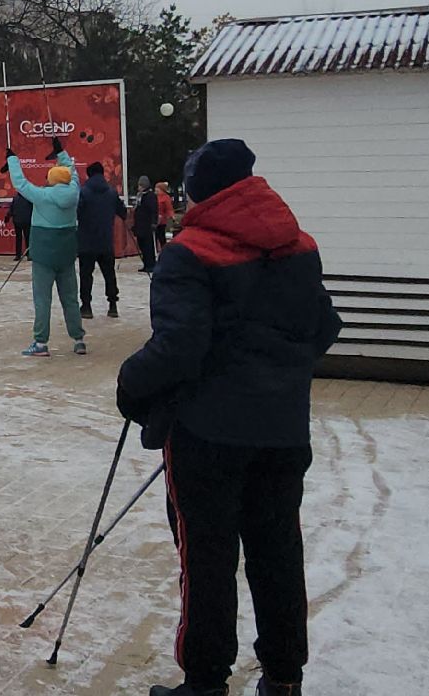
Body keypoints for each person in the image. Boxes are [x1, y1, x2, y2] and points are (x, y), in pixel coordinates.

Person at [116, 139, 342, 696]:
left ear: (201, 190)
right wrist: (277, 374)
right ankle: (284, 678)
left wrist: (130, 383)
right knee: (277, 551)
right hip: (281, 430)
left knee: (208, 558)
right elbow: (324, 326)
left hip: (208, 435)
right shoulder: (298, 244)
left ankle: (205, 681)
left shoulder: (190, 251)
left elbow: (179, 346)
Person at [7, 142, 86, 356]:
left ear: (52, 179)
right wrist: (62, 153)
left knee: (43, 299)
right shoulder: (74, 192)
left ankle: (41, 343)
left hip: (43, 256)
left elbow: (20, 183)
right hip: (66, 255)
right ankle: (78, 339)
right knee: (70, 298)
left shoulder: (42, 196)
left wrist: (12, 159)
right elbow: (73, 172)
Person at [77, 161, 128, 319]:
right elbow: (123, 213)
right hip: (106, 240)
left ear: (89, 175)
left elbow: (77, 212)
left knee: (86, 275)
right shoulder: (111, 192)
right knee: (109, 274)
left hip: (86, 241)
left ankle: (86, 307)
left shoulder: (83, 192)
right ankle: (112, 305)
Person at [133, 176, 160, 274]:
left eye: (140, 185)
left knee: (148, 245)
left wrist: (154, 222)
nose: (139, 187)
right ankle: (146, 263)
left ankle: (151, 264)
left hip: (147, 225)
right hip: (140, 224)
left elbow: (153, 210)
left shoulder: (150, 196)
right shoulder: (140, 196)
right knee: (142, 245)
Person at [9, 189, 33, 261]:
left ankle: (18, 255)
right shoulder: (29, 199)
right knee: (27, 238)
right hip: (26, 221)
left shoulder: (15, 199)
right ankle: (28, 255)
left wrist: (8, 217)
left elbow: (11, 209)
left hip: (17, 221)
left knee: (18, 238)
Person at [156, 181, 177, 246]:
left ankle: (163, 247)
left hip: (162, 220)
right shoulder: (155, 197)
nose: (156, 189)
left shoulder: (166, 197)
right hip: (155, 218)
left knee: (161, 235)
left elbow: (169, 208)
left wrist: (172, 216)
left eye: (157, 188)